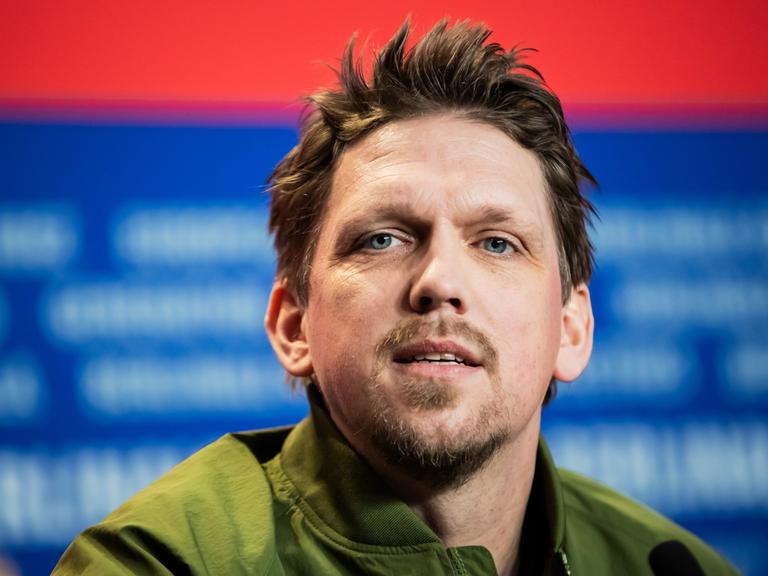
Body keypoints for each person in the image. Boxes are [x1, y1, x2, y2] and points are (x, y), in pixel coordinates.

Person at [53, 20, 737, 575]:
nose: (439, 280)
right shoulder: (158, 563)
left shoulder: (671, 565)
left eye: (497, 243)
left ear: (572, 328)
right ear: (293, 324)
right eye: (382, 239)